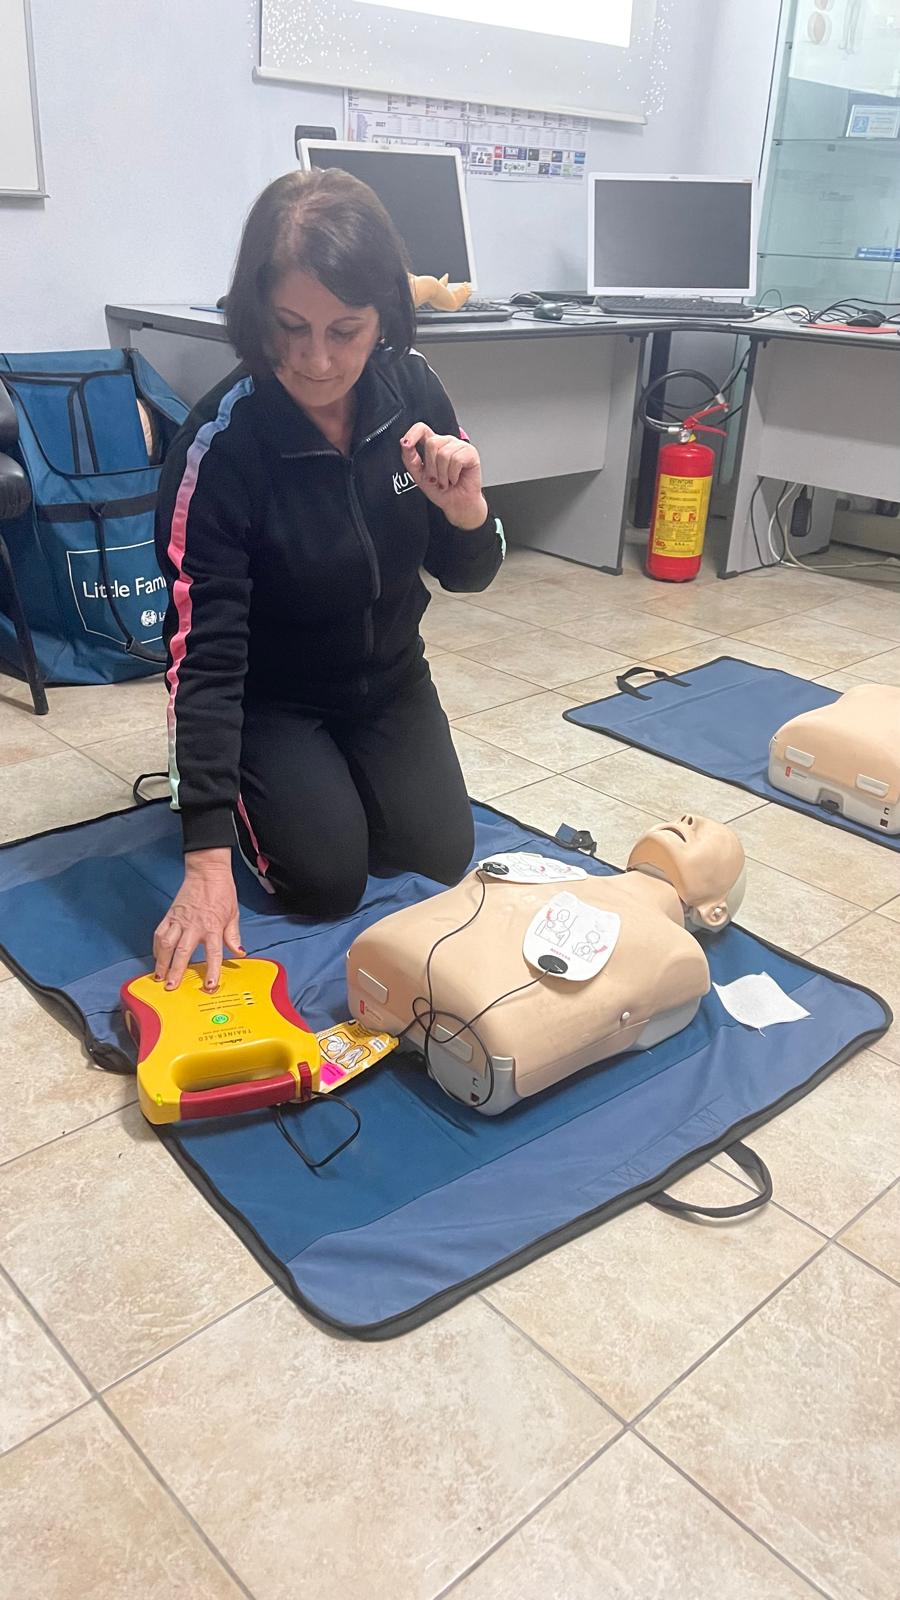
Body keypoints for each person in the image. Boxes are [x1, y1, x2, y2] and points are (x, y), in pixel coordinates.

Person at [152, 169, 505, 991]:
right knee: (322, 882)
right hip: (272, 698)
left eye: (345, 330)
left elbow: (472, 574)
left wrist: (466, 513)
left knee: (438, 855)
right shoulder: (222, 447)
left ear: (383, 316)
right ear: (257, 314)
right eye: (290, 328)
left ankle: (339, 774)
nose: (316, 361)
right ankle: (277, 783)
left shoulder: (413, 391)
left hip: (390, 679)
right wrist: (205, 858)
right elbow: (203, 660)